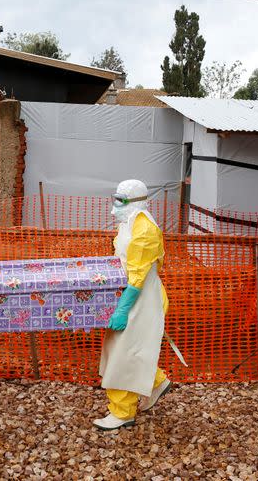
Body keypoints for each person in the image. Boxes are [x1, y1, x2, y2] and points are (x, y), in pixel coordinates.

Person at [94, 179, 172, 430]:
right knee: (125, 351)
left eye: (121, 201)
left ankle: (122, 412)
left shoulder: (145, 229)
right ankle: (156, 382)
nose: (114, 208)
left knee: (122, 357)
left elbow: (138, 274)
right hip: (131, 295)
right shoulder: (128, 223)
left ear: (136, 202)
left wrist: (123, 308)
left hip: (142, 298)